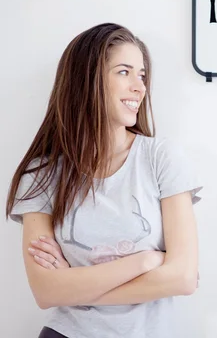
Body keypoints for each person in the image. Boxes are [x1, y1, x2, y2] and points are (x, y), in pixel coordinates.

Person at [5, 23, 202, 338]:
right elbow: (45, 292)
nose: (139, 87)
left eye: (142, 75)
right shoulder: (41, 175)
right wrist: (145, 262)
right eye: (124, 72)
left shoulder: (161, 158)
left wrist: (73, 286)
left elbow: (182, 278)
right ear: (87, 80)